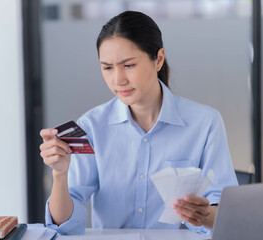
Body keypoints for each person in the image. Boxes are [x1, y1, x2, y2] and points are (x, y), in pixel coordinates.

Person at [39, 11, 238, 235]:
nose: (118, 80)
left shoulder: (205, 123)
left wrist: (203, 215)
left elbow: (225, 213)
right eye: (107, 67)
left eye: (129, 65)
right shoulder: (92, 126)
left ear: (159, 59)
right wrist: (59, 175)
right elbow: (67, 225)